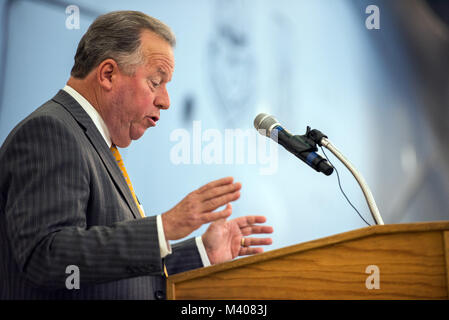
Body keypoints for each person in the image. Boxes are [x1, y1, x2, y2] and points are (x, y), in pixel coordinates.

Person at [0, 10, 273, 300]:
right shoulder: (51, 131)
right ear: (108, 74)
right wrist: (164, 227)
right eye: (156, 82)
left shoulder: (95, 142)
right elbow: (47, 256)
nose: (166, 101)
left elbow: (115, 274)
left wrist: (200, 252)